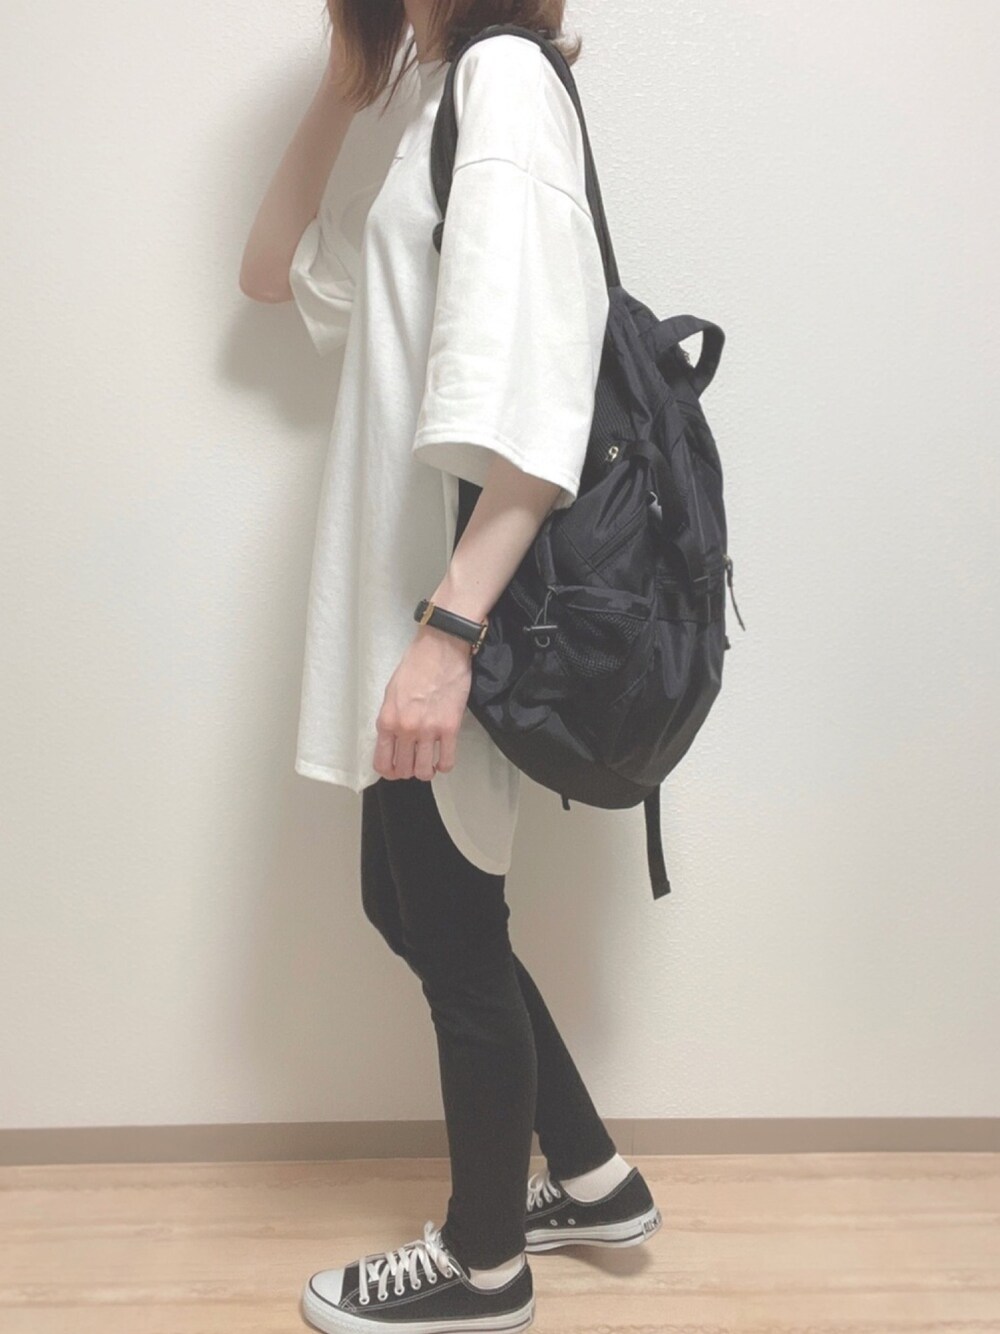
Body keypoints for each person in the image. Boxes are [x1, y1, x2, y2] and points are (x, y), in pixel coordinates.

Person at [240, 3, 660, 1329]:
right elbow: (270, 273)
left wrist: (450, 635)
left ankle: (485, 1265)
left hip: (454, 614)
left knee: (454, 929)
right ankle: (589, 1175)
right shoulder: (437, 103)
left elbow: (540, 399)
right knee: (411, 902)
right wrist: (343, 82)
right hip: (412, 612)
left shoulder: (504, 82)